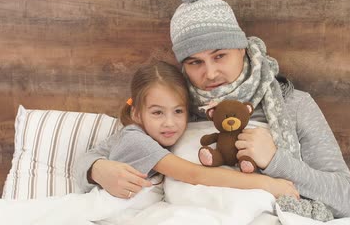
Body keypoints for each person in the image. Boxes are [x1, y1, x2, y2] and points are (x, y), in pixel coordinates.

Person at [79, 0, 350, 218]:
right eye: (195, 62)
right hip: (190, 224)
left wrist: (275, 160)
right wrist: (97, 170)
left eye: (219, 56)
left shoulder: (292, 104)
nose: (210, 73)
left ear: (242, 48)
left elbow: (345, 197)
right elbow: (99, 154)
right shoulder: (176, 108)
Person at [83, 60, 300, 200]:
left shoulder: (146, 135)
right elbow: (195, 174)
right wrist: (267, 184)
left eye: (178, 111)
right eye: (157, 113)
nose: (170, 123)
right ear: (137, 114)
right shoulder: (135, 140)